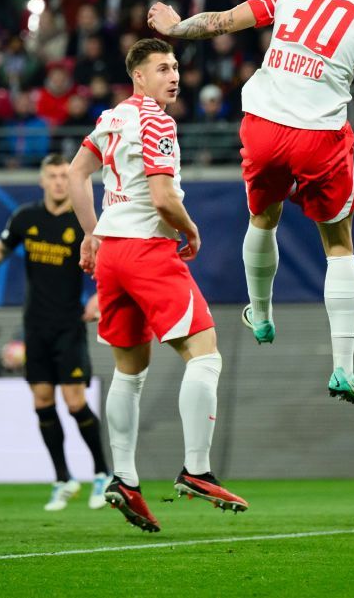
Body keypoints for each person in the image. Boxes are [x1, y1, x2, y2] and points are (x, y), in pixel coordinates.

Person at [147, 0, 354, 405]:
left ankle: (261, 313)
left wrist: (176, 27)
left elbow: (223, 22)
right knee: (339, 245)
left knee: (262, 217)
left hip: (264, 127)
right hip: (319, 137)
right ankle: (343, 367)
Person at [66, 38, 247, 533]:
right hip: (147, 248)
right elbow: (164, 197)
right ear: (138, 76)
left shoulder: (110, 118)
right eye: (162, 68)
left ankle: (124, 478)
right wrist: (191, 229)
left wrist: (91, 234)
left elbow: (77, 175)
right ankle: (197, 469)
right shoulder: (156, 120)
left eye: (176, 67)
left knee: (129, 372)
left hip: (111, 254)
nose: (174, 76)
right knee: (205, 355)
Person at [0, 153, 112, 511]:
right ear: (42, 180)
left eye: (64, 175)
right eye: (52, 175)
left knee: (75, 401)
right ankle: (63, 479)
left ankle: (102, 474)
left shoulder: (83, 221)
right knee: (42, 401)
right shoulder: (26, 217)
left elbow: (108, 263)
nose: (59, 181)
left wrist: (99, 297)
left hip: (69, 324)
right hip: (35, 326)